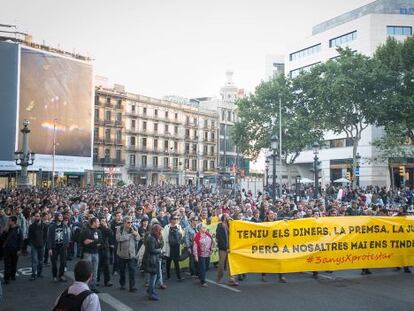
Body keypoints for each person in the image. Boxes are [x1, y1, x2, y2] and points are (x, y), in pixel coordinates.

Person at [116, 216, 139, 292]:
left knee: (132, 270)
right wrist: (128, 236)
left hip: (131, 254)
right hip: (122, 254)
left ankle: (132, 286)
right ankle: (122, 283)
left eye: (131, 222)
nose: (130, 224)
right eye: (128, 222)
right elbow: (118, 238)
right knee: (122, 271)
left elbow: (138, 238)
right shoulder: (120, 229)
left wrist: (135, 234)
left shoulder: (134, 228)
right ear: (124, 223)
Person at [216, 214, 239, 286]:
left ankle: (232, 279)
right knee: (221, 264)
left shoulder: (230, 225)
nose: (228, 217)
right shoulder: (220, 225)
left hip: (230, 247)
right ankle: (219, 278)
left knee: (230, 264)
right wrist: (226, 248)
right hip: (223, 248)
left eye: (228, 216)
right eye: (227, 216)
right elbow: (219, 238)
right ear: (223, 218)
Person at [47, 212, 70, 282]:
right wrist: (50, 248)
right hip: (54, 247)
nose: (61, 217)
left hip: (63, 247)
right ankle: (54, 276)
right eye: (60, 216)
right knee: (54, 262)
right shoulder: (51, 227)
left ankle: (61, 275)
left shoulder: (65, 226)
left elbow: (67, 235)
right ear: (56, 217)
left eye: (61, 216)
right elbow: (49, 238)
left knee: (63, 262)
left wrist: (66, 244)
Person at [80, 217, 101, 293]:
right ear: (94, 222)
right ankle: (86, 287)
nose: (99, 223)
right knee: (87, 270)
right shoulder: (86, 231)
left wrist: (91, 241)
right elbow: (84, 242)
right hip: (87, 253)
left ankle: (93, 286)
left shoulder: (98, 231)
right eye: (98, 222)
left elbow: (100, 242)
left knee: (95, 271)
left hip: (96, 253)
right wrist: (95, 242)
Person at [1, 216, 23, 284]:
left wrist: (19, 249)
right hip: (7, 249)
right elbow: (2, 239)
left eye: (9, 221)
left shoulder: (18, 229)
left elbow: (20, 240)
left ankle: (13, 275)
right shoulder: (7, 228)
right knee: (7, 264)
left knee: (14, 263)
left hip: (15, 250)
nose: (8, 222)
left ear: (13, 222)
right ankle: (6, 279)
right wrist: (5, 231)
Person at [162, 214, 184, 281]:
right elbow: (164, 238)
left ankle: (179, 277)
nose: (176, 220)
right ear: (171, 219)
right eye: (174, 219)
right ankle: (168, 276)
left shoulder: (179, 226)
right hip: (169, 247)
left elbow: (181, 236)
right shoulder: (167, 227)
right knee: (168, 262)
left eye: (177, 219)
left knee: (176, 262)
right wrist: (164, 248)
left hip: (176, 247)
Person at [144, 223, 163, 301]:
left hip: (154, 259)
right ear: (156, 231)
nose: (160, 232)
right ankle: (151, 293)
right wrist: (160, 250)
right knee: (153, 277)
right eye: (159, 230)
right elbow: (152, 250)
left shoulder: (154, 237)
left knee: (155, 276)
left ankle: (150, 290)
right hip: (152, 260)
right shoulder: (152, 238)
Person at [193, 223, 214, 287]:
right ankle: (203, 281)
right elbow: (195, 247)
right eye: (203, 227)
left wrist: (211, 249)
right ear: (199, 229)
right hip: (201, 254)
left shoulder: (208, 234)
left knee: (206, 267)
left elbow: (213, 242)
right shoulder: (197, 236)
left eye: (205, 227)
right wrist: (196, 256)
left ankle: (200, 276)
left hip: (207, 254)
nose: (205, 228)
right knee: (203, 268)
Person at [28, 211, 47, 280]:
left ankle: (39, 273)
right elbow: (29, 236)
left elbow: (45, 236)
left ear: (40, 217)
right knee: (34, 260)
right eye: (36, 216)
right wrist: (32, 244)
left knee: (41, 260)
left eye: (38, 216)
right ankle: (33, 274)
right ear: (34, 217)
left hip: (42, 245)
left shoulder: (44, 226)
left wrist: (44, 243)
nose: (37, 217)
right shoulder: (31, 226)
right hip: (34, 246)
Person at [97, 217, 113, 287]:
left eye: (104, 221)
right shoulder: (97, 229)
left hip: (105, 248)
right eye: (102, 221)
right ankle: (96, 280)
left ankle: (107, 281)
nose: (103, 222)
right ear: (99, 222)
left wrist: (107, 227)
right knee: (98, 265)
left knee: (106, 265)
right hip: (98, 249)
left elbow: (111, 234)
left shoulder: (107, 229)